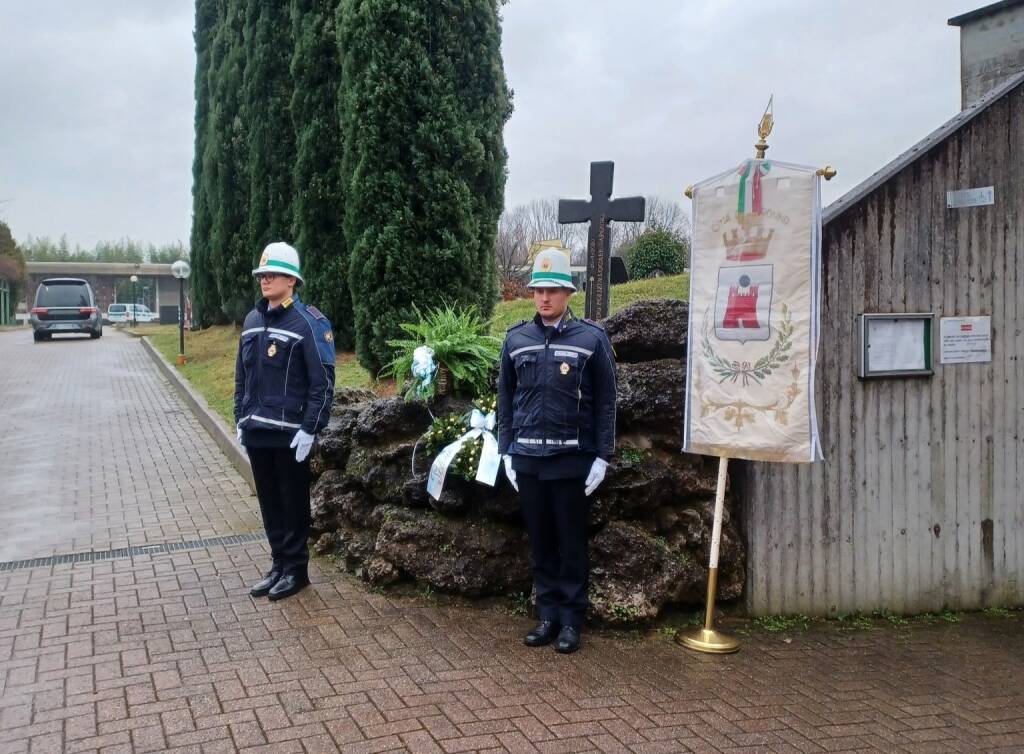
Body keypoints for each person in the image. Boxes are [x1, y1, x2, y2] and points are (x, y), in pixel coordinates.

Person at [496, 247, 617, 654]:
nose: (544, 298)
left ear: (569, 293)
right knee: (541, 541)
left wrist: (603, 455)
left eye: (552, 290)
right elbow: (505, 398)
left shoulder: (591, 339)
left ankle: (570, 620)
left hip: (571, 460)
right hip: (528, 459)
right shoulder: (516, 339)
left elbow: (606, 402)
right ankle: (546, 615)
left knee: (571, 542)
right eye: (538, 290)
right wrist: (506, 449)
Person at [234, 242, 335, 601]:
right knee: (270, 504)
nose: (265, 280)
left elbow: (321, 382)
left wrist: (311, 427)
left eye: (272, 274)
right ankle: (278, 564)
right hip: (258, 429)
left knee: (293, 503)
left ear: (291, 280)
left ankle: (296, 569)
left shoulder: (308, 323)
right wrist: (239, 419)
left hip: (290, 434)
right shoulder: (252, 320)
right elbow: (241, 377)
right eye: (262, 274)